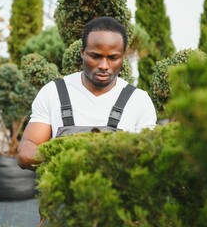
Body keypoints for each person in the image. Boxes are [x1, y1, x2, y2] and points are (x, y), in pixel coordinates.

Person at [17, 16, 157, 171]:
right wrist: (70, 159)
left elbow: (148, 159)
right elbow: (25, 153)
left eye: (113, 58)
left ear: (122, 57)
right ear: (83, 52)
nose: (104, 66)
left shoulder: (138, 100)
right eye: (96, 56)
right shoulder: (54, 92)